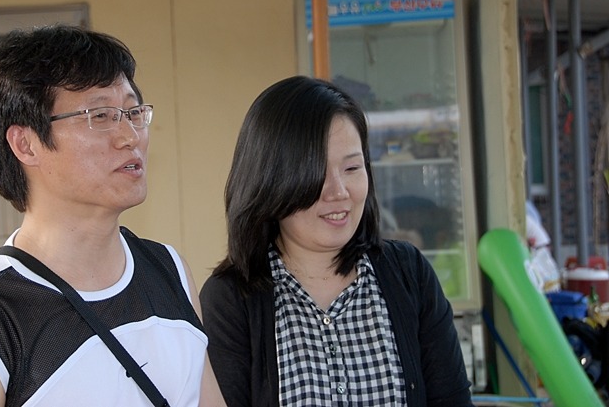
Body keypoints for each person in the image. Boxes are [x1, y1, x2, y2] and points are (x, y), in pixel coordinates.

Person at [0, 24, 225, 407]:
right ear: (26, 144)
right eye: (101, 115)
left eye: (132, 112)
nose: (130, 136)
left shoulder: (169, 270)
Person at [199, 75, 473, 407]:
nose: (339, 192)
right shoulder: (230, 299)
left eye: (352, 168)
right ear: (270, 180)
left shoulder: (409, 274)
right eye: (316, 172)